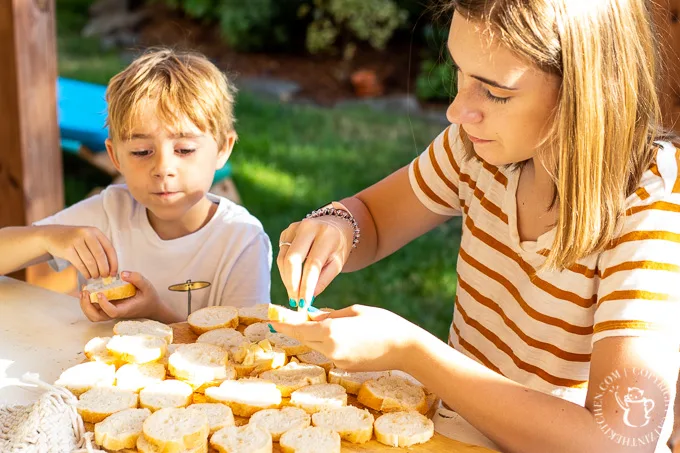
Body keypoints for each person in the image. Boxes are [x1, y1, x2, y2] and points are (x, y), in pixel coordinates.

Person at [273, 1, 680, 451]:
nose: (457, 110)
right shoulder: (475, 150)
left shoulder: (653, 204)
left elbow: (621, 441)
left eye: (495, 92)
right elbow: (373, 219)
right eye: (461, 75)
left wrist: (413, 352)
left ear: (588, 90)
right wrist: (337, 224)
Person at [0, 49, 272, 324]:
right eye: (142, 151)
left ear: (223, 149)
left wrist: (156, 313)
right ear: (115, 156)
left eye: (185, 149)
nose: (163, 168)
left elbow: (245, 352)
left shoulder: (242, 240)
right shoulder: (109, 211)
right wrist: (45, 238)